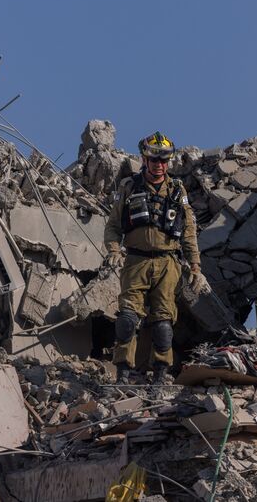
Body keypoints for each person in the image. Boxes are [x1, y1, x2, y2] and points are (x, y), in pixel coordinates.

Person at [104, 131, 207, 385]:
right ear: (144, 159)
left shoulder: (176, 190)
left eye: (164, 161)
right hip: (136, 261)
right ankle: (122, 374)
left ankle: (160, 375)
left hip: (167, 263)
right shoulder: (129, 187)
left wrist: (195, 266)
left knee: (163, 322)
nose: (159, 165)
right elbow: (113, 226)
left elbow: (189, 231)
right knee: (127, 318)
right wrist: (114, 250)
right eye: (154, 160)